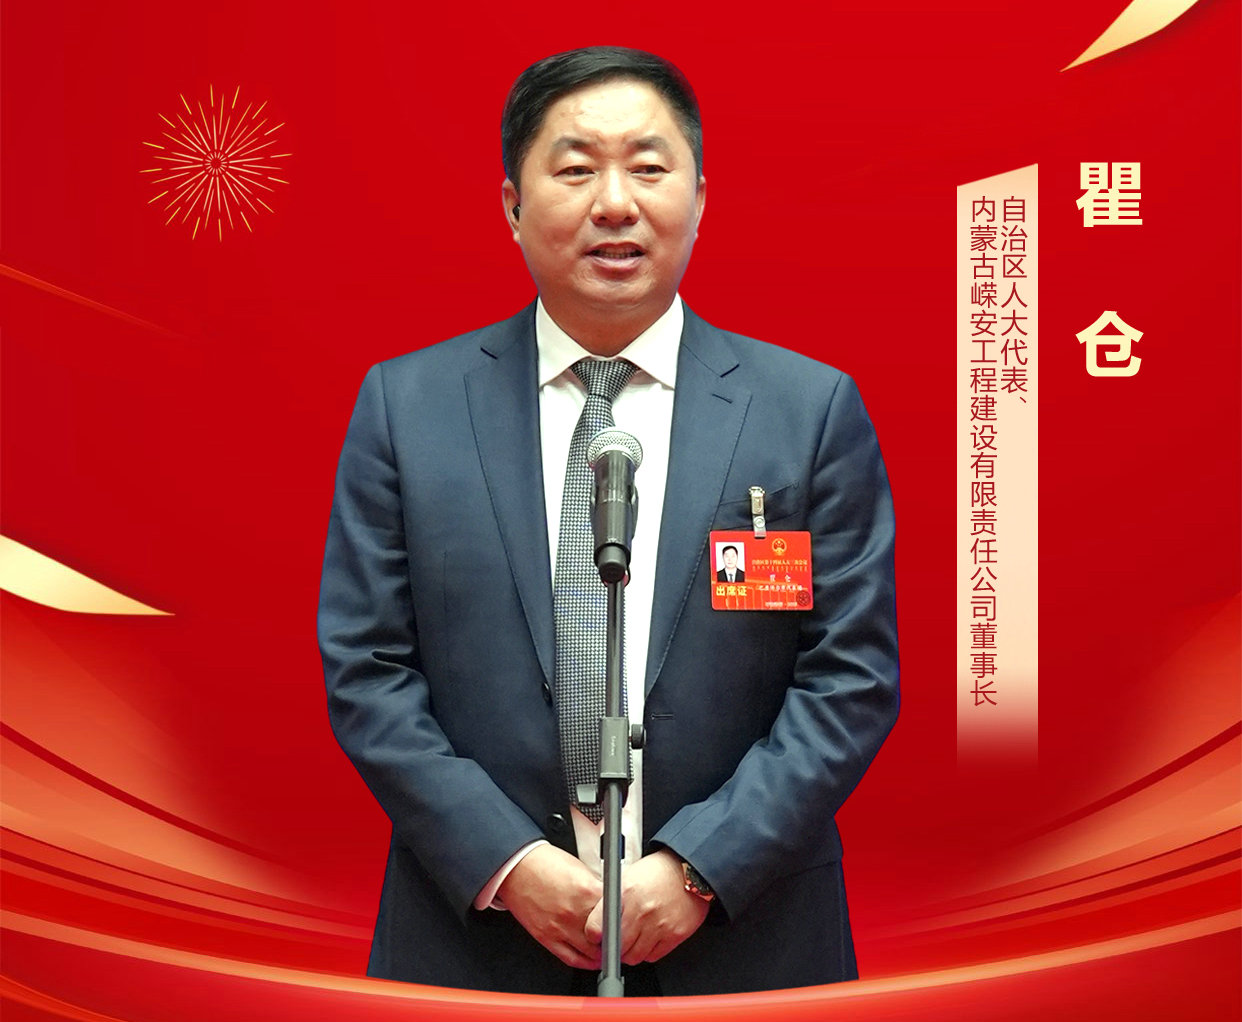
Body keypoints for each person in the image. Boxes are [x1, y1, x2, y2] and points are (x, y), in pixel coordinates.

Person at [318, 45, 899, 997]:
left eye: (650, 167)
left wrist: (703, 866)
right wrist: (508, 863)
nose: (616, 203)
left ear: (700, 199)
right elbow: (367, 669)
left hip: (746, 940)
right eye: (577, 169)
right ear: (513, 205)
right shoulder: (408, 407)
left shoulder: (806, 411)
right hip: (478, 943)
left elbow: (851, 678)